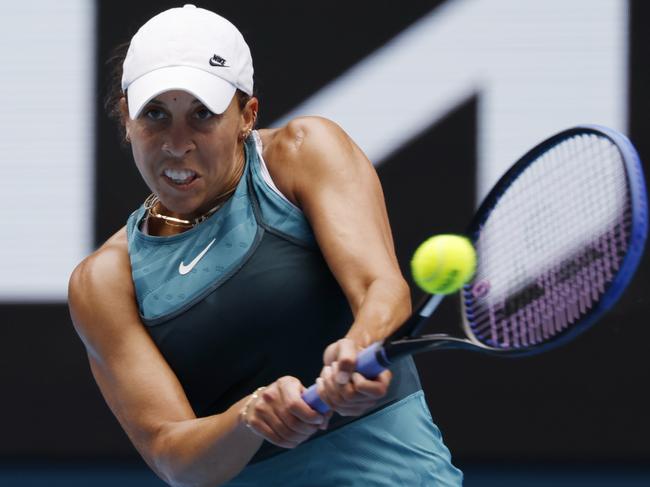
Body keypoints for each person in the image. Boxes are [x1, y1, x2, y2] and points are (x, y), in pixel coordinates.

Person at [68, 5, 463, 486]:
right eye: (155, 114)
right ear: (127, 119)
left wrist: (357, 353)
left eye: (202, 115)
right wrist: (249, 418)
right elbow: (173, 457)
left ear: (246, 116)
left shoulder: (302, 153)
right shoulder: (104, 282)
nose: (177, 143)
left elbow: (379, 285)